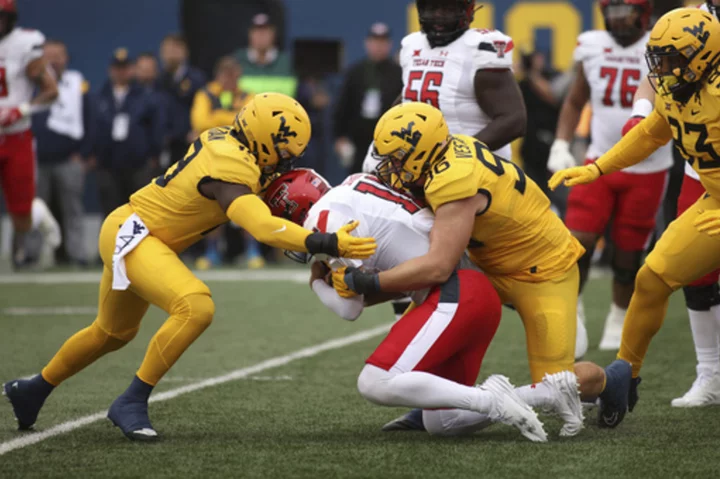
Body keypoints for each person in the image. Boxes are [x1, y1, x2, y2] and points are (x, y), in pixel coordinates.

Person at [2, 93, 377, 441]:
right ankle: (131, 400)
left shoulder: (229, 140)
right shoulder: (230, 164)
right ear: (262, 138)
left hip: (135, 232)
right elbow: (261, 226)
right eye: (283, 150)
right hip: (135, 234)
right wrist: (327, 243)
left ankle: (33, 388)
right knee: (196, 306)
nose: (286, 161)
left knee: (112, 332)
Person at [336, 102, 624, 434]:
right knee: (432, 323)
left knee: (555, 386)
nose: (388, 167)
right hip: (487, 263)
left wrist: (365, 283)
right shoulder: (443, 149)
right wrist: (365, 288)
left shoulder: (453, 179)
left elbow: (438, 267)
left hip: (542, 270)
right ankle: (434, 402)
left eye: (396, 159)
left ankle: (609, 380)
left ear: (420, 155)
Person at [266, 169, 586, 439]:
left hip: (455, 294)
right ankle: (545, 393)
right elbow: (393, 277)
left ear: (292, 209)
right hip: (475, 294)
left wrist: (318, 283)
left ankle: (492, 399)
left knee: (374, 382)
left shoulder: (322, 219)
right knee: (442, 422)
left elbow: (350, 308)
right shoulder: (354, 183)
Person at [549, 7, 720, 427]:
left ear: (701, 57)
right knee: (652, 278)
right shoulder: (681, 84)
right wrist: (597, 168)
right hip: (712, 200)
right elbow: (651, 132)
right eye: (656, 58)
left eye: (670, 60)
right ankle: (626, 377)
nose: (660, 69)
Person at [547, 0, 673, 353]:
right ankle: (572, 307)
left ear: (644, 12)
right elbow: (575, 101)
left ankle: (619, 315)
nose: (618, 19)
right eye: (612, 11)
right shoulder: (592, 45)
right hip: (597, 161)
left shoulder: (662, 42)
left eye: (625, 11)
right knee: (577, 241)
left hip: (647, 167)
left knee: (628, 254)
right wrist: (561, 141)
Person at [0, 0, 58, 268]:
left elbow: (50, 91)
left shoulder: (25, 43)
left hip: (16, 138)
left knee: (20, 219)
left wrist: (20, 109)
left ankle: (37, 213)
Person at [32, 39, 95, 267]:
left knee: (73, 209)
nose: (54, 60)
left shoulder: (78, 84)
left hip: (69, 159)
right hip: (35, 159)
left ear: (66, 58)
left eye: (59, 55)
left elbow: (90, 119)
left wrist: (84, 153)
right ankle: (30, 255)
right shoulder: (30, 84)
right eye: (49, 55)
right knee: (34, 209)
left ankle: (76, 254)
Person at [190, 56, 252, 268]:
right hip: (211, 158)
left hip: (241, 158)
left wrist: (216, 117)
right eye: (225, 75)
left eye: (233, 74)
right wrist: (230, 117)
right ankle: (211, 252)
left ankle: (252, 250)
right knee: (211, 205)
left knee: (247, 203)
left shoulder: (248, 96)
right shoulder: (205, 94)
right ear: (218, 76)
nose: (229, 79)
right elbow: (200, 122)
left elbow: (250, 122)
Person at [95, 48, 165, 217]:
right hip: (108, 165)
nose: (121, 72)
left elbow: (156, 127)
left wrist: (154, 154)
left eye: (125, 68)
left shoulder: (145, 96)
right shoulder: (100, 96)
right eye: (117, 68)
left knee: (140, 211)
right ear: (110, 70)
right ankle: (111, 243)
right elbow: (93, 128)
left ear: (132, 70)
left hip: (138, 164)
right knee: (111, 212)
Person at [334, 22, 403, 173]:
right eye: (375, 42)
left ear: (389, 44)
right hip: (359, 139)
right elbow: (343, 106)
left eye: (383, 42)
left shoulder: (398, 73)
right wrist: (340, 137)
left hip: (388, 140)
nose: (378, 46)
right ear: (367, 43)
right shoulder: (355, 72)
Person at [159, 34, 206, 166]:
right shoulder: (160, 80)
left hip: (189, 140)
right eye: (166, 50)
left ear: (184, 51)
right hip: (167, 142)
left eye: (174, 49)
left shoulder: (196, 78)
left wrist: (197, 130)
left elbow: (202, 106)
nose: (170, 54)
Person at [233, 13, 296, 98]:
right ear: (250, 34)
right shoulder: (237, 61)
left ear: (273, 34)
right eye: (257, 31)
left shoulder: (286, 63)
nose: (261, 35)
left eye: (265, 31)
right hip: (245, 110)